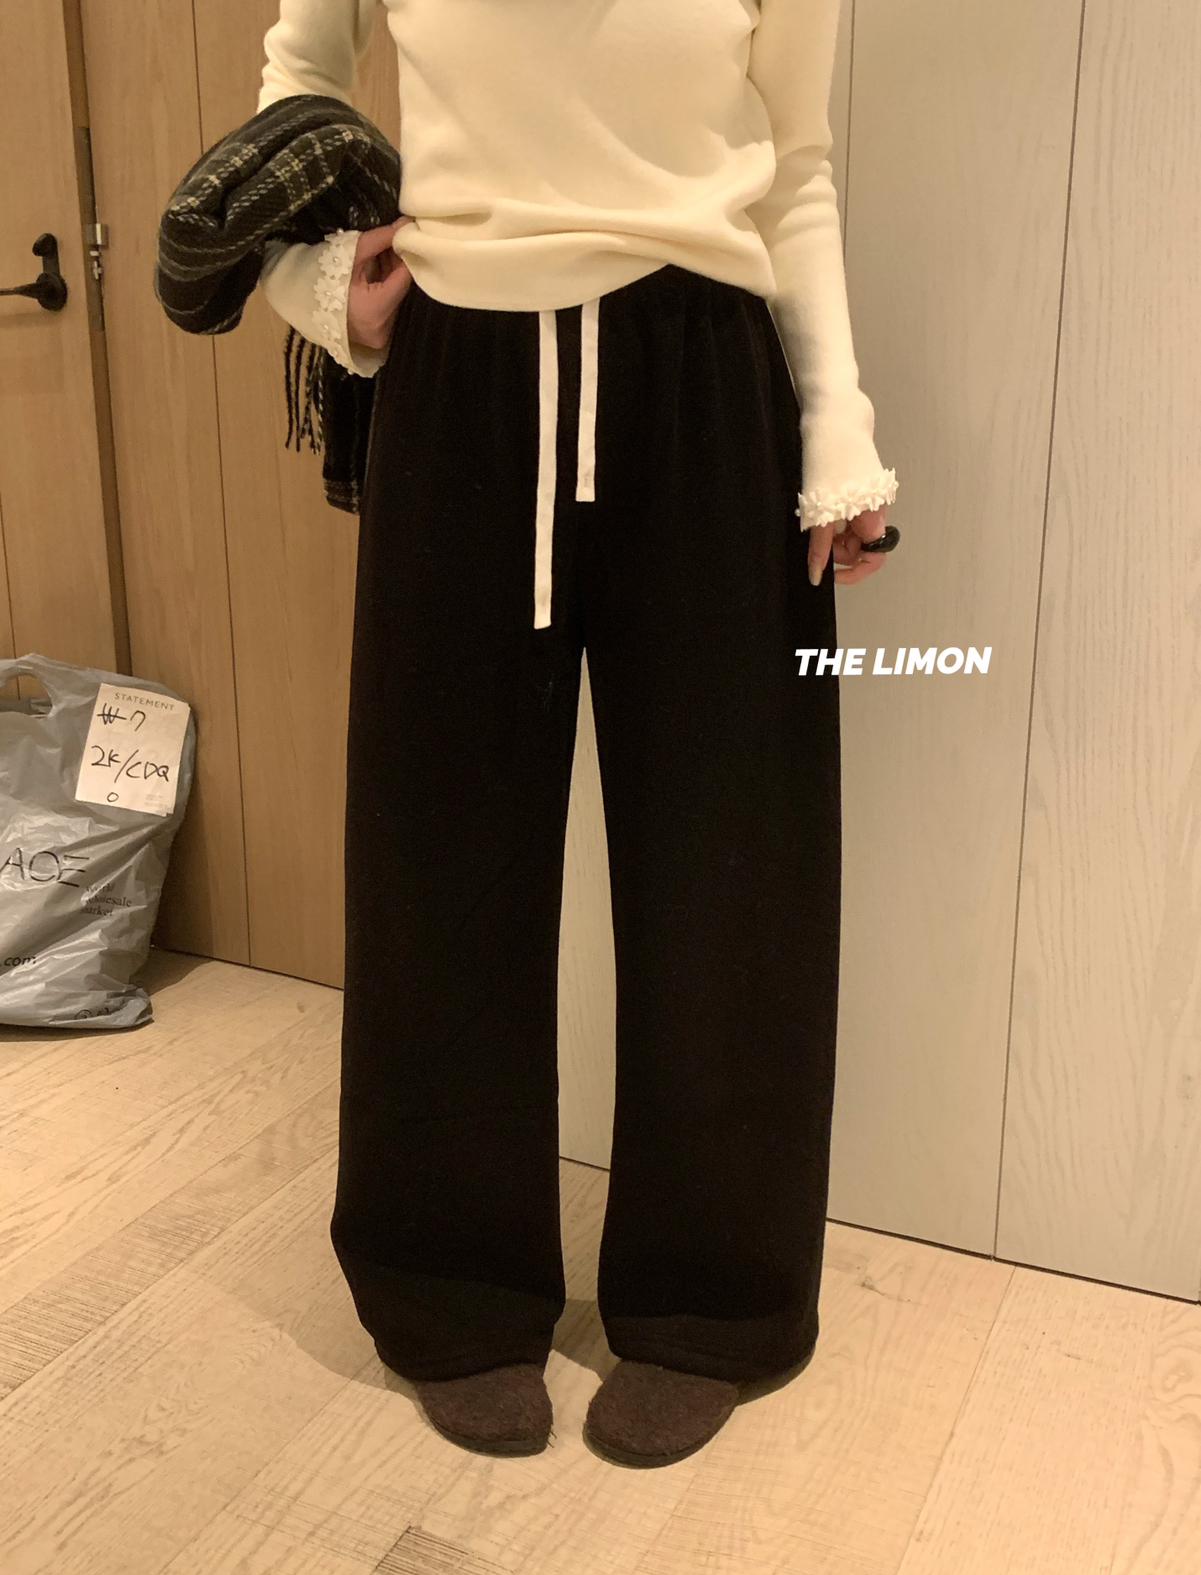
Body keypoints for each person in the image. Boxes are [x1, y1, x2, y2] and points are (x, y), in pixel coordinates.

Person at [255, 0, 898, 1468]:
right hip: (459, 378)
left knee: (734, 853)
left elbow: (795, 164)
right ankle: (449, 1283)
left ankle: (714, 1299)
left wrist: (838, 427)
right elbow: (298, 74)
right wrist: (314, 286)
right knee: (436, 852)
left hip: (709, 379)